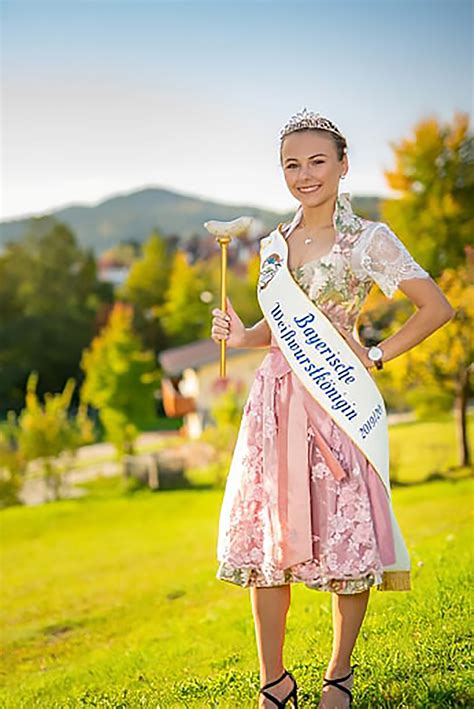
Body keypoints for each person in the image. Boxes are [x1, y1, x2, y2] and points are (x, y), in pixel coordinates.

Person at [210, 108, 454, 709]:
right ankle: (274, 681)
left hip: (336, 399)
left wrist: (374, 354)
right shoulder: (274, 244)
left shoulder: (369, 239)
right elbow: (282, 329)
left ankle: (338, 675)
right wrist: (242, 336)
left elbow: (436, 307)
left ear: (344, 166)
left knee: (347, 537)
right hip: (273, 403)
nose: (304, 174)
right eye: (292, 164)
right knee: (267, 544)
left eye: (318, 161)